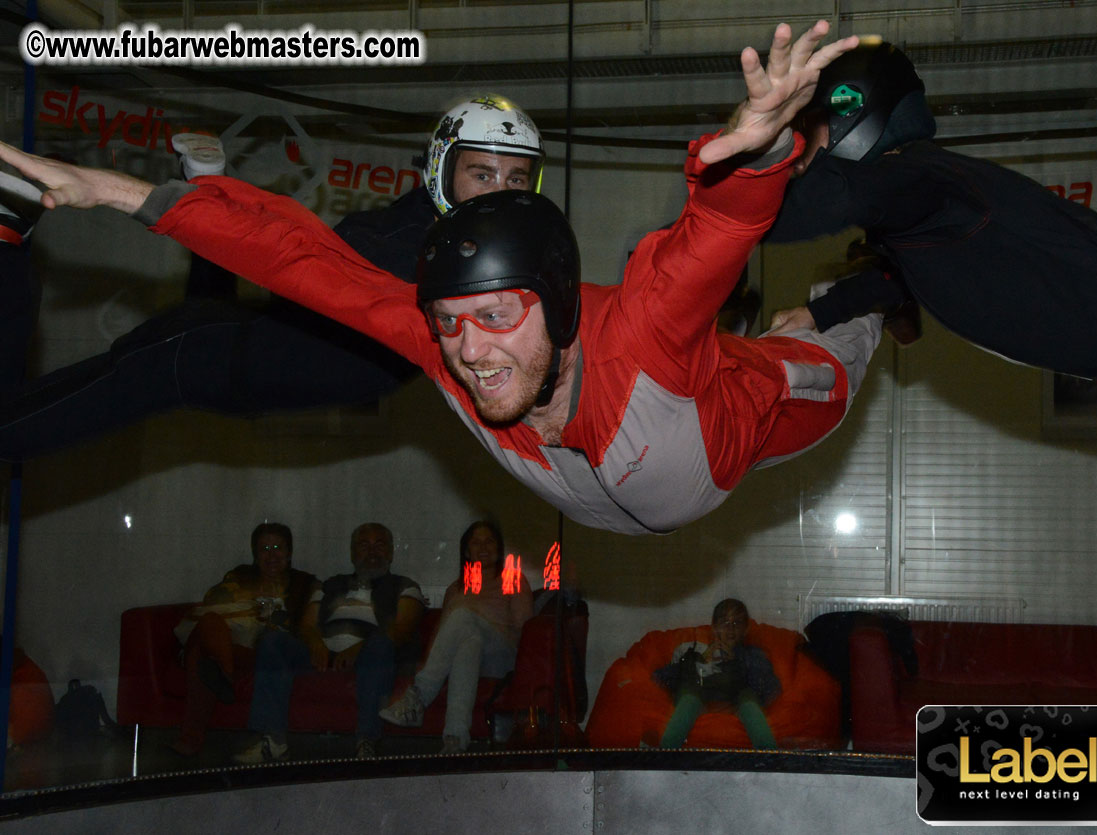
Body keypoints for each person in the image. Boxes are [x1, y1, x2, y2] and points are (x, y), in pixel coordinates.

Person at [0, 21, 881, 536]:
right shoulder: (439, 334)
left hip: (744, 418)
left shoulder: (645, 332)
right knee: (163, 351)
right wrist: (111, 189)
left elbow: (716, 229)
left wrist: (758, 145)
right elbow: (303, 264)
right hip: (606, 475)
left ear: (558, 306)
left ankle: (872, 292)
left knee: (813, 334)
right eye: (452, 324)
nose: (471, 352)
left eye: (494, 317)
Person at [0, 94, 543, 460]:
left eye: (515, 177)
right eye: (481, 173)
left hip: (229, 342)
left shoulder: (455, 246)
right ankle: (9, 236)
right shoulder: (411, 246)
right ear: (443, 171)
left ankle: (206, 184)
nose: (500, 191)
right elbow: (288, 256)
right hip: (190, 356)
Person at [767, 40, 1097, 414]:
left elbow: (828, 202)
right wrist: (820, 313)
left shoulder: (917, 181)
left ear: (855, 113)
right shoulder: (930, 202)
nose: (797, 155)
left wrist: (740, 173)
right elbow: (898, 275)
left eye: (807, 131)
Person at [233, 522, 426, 762]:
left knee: (381, 644)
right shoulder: (330, 584)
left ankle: (367, 742)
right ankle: (272, 740)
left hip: (370, 654)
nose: (372, 551)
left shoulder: (405, 585)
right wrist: (316, 645)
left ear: (391, 552)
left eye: (380, 545)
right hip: (324, 652)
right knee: (273, 640)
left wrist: (358, 649)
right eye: (364, 545)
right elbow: (307, 624)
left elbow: (402, 629)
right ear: (353, 553)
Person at [379, 519, 533, 754]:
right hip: (472, 652)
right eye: (476, 542)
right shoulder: (456, 588)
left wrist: (479, 617)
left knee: (463, 617)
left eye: (489, 541)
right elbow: (442, 631)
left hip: (502, 656)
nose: (483, 546)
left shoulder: (513, 579)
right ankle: (455, 740)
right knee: (469, 642)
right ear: (467, 551)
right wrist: (428, 659)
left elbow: (524, 628)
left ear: (499, 548)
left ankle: (418, 696)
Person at [170, 521, 317, 757]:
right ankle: (225, 673)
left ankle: (191, 737)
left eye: (278, 548)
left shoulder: (304, 583)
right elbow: (214, 602)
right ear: (255, 555)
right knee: (209, 623)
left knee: (202, 656)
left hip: (265, 652)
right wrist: (251, 602)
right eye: (264, 549)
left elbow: (307, 630)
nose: (272, 555)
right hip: (233, 646)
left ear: (289, 553)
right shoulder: (240, 576)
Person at [652, 599, 780, 749]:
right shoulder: (697, 652)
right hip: (698, 699)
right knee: (688, 696)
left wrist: (734, 662)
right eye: (724, 622)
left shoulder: (752, 654)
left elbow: (770, 689)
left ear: (745, 629)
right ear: (714, 628)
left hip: (739, 702)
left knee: (749, 700)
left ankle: (770, 759)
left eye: (737, 623)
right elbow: (662, 677)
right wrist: (699, 661)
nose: (730, 629)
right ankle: (664, 756)